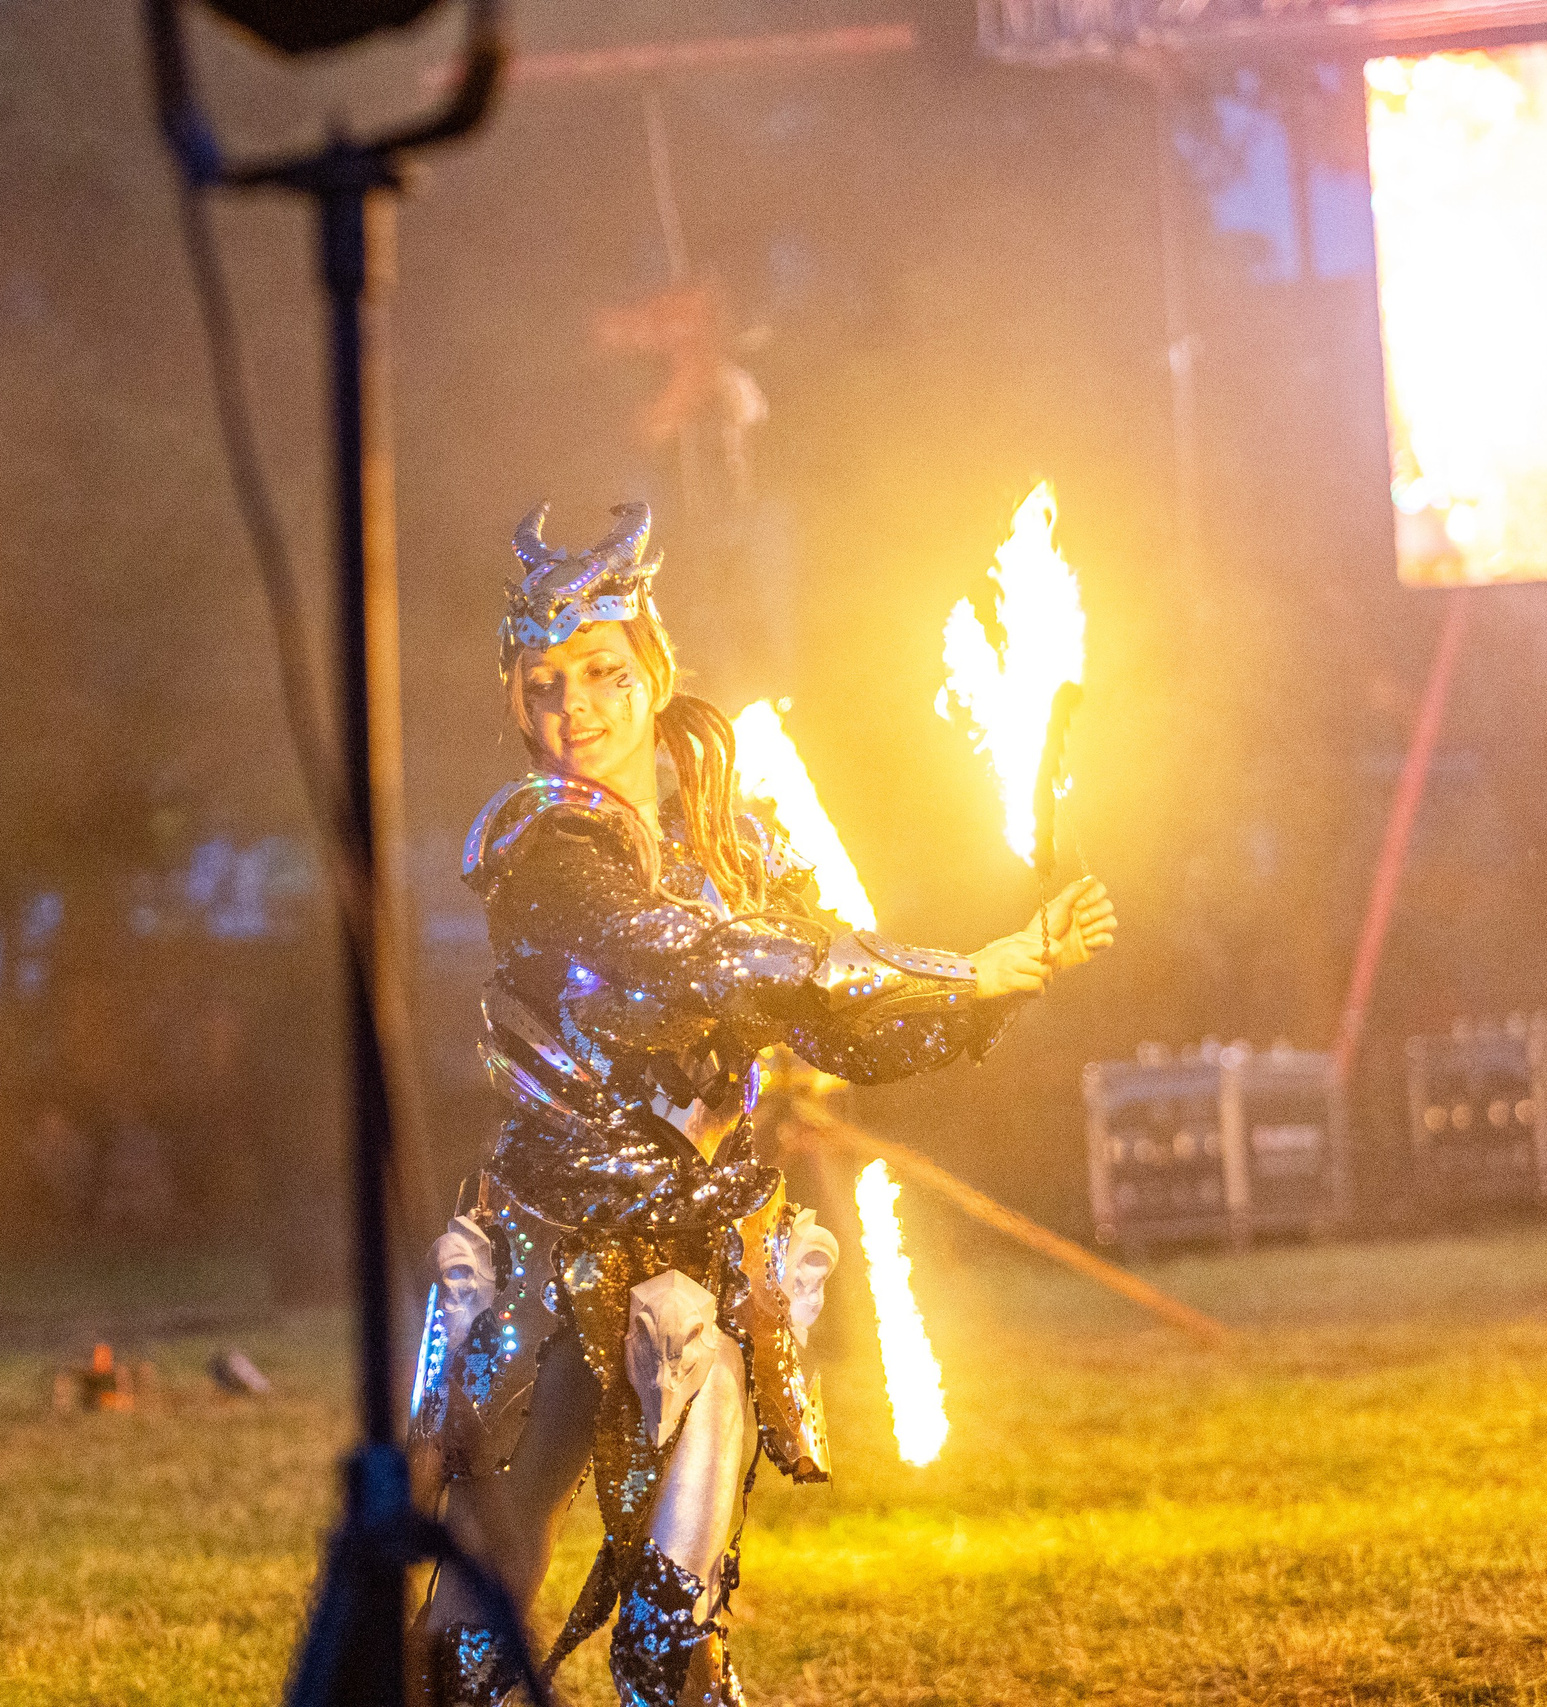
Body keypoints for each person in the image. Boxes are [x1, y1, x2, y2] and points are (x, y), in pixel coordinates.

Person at [412, 504, 1117, 1707]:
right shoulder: (543, 851)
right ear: (513, 700)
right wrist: (957, 966)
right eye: (542, 686)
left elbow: (837, 1013)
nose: (573, 709)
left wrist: (1002, 978)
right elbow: (700, 961)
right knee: (484, 1602)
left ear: (652, 668)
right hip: (550, 1247)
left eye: (598, 673)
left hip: (697, 1260)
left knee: (681, 1609)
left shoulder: (735, 841)